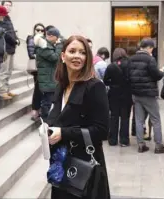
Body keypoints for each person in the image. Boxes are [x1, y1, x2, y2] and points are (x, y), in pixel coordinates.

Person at [44, 35, 110, 199]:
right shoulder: (61, 86)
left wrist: (64, 133)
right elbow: (56, 118)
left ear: (87, 58)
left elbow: (102, 130)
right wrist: (47, 128)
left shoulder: (95, 87)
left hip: (85, 167)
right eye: (72, 51)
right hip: (60, 164)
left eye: (82, 53)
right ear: (63, 56)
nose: (77, 56)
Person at [129, 38, 164, 153]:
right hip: (148, 94)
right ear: (148, 47)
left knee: (139, 119)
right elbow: (157, 75)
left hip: (136, 94)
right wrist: (162, 71)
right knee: (156, 119)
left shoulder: (131, 59)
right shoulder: (150, 59)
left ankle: (141, 145)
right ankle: (158, 146)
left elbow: (128, 76)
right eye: (152, 48)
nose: (152, 50)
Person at [103, 48, 132, 147]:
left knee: (114, 116)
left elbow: (105, 80)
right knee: (125, 117)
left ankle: (112, 140)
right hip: (126, 94)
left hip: (114, 94)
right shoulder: (129, 64)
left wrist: (113, 84)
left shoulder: (111, 66)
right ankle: (124, 140)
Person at [35, 27, 63, 120]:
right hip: (47, 79)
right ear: (51, 36)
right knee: (47, 102)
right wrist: (59, 45)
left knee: (49, 101)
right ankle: (45, 121)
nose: (57, 40)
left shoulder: (48, 45)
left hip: (49, 78)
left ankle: (47, 120)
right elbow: (55, 58)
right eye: (57, 38)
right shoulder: (43, 46)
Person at [0, 0, 20, 100]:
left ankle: (6, 89)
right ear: (2, 6)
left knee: (9, 71)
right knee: (4, 70)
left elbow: (11, 32)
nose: (8, 7)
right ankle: (2, 91)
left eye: (10, 5)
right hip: (5, 48)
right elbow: (5, 33)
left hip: (11, 48)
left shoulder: (8, 18)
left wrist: (16, 39)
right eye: (6, 5)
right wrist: (14, 40)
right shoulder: (1, 18)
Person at [26, 23, 45, 121]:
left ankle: (38, 110)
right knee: (38, 90)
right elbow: (31, 53)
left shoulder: (44, 41)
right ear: (34, 30)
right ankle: (35, 111)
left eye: (42, 30)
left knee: (40, 90)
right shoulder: (31, 39)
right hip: (36, 69)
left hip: (43, 69)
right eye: (38, 30)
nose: (40, 32)